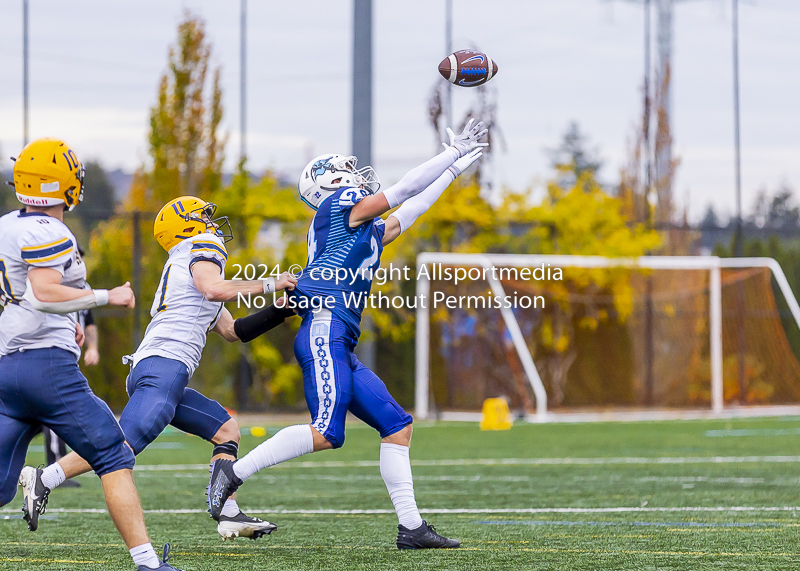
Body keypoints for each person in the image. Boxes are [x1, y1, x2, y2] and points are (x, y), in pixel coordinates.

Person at [207, 119, 488, 549]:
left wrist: (450, 172)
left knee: (396, 426)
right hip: (324, 324)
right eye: (347, 170)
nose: (359, 176)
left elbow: (407, 213)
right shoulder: (339, 206)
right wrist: (449, 154)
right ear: (331, 181)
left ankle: (411, 528)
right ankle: (233, 473)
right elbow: (402, 191)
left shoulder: (360, 228)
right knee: (326, 433)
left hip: (339, 335)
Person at [24, 195, 298, 541]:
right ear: (188, 225)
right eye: (204, 216)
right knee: (120, 447)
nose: (213, 224)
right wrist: (273, 282)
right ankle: (44, 479)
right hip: (164, 368)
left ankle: (227, 512)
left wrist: (281, 310)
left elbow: (233, 331)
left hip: (157, 369)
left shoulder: (185, 262)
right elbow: (213, 290)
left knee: (227, 430)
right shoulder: (202, 245)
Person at [0, 138, 182, 570]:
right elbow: (43, 295)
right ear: (58, 183)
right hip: (46, 369)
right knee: (114, 454)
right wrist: (107, 296)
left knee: (2, 485)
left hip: (7, 367)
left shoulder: (7, 224)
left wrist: (71, 324)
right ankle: (149, 564)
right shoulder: (50, 230)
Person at [43, 247, 99, 488]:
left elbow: (90, 324)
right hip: (50, 355)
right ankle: (55, 464)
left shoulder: (83, 288)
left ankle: (56, 467)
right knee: (54, 409)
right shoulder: (49, 284)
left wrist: (92, 348)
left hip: (70, 355)